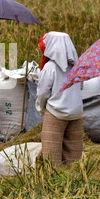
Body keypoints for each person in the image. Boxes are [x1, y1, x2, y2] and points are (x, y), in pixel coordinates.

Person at [35, 31, 83, 166]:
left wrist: (41, 107)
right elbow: (81, 87)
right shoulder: (77, 67)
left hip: (56, 113)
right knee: (74, 154)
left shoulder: (50, 67)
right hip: (76, 113)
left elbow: (43, 92)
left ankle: (54, 180)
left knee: (51, 155)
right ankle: (74, 178)